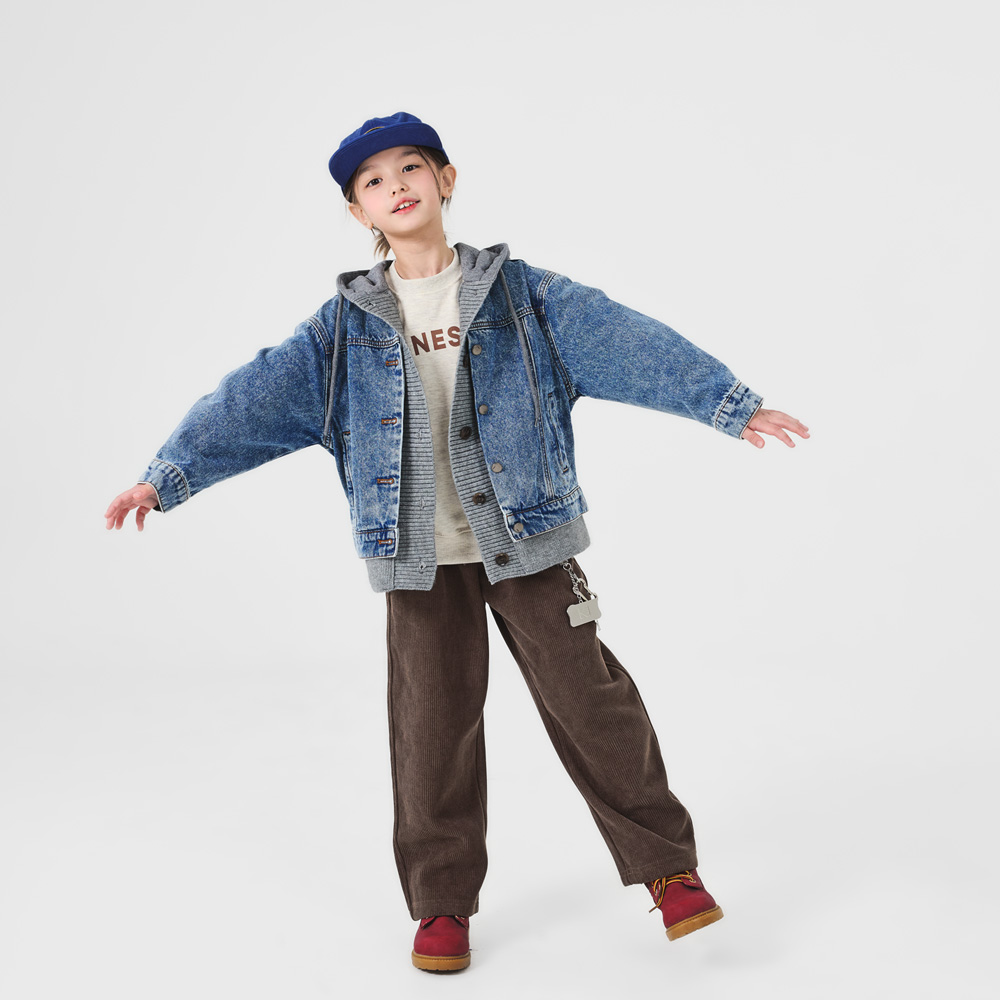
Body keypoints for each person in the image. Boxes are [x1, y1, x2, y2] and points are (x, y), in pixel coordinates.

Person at [105, 111, 809, 973]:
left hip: (531, 540)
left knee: (594, 705)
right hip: (418, 557)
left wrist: (730, 406)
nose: (395, 186)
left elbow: (631, 342)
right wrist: (167, 477)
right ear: (359, 212)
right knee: (431, 729)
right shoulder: (342, 329)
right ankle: (441, 904)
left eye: (410, 168)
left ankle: (669, 871)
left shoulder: (523, 296)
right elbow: (249, 401)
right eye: (373, 181)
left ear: (445, 179)